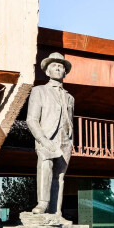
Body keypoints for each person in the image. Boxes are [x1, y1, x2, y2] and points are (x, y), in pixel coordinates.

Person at [26, 52, 74, 217]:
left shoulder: (70, 97)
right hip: (46, 137)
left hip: (65, 140)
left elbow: (70, 120)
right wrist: (42, 139)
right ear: (47, 71)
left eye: (61, 66)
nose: (58, 68)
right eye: (54, 65)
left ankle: (56, 212)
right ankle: (42, 204)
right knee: (45, 167)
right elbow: (31, 119)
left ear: (65, 72)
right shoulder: (39, 91)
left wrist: (69, 139)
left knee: (59, 176)